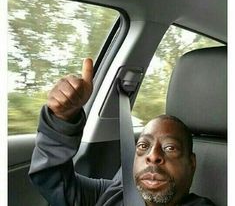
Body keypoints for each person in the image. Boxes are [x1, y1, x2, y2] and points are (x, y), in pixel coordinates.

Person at [29, 58, 216, 206]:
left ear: (191, 164)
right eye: (143, 146)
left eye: (169, 147)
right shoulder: (110, 194)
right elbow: (51, 179)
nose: (153, 156)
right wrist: (61, 118)